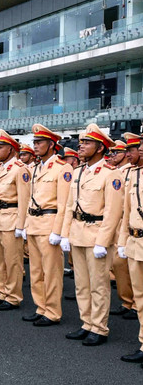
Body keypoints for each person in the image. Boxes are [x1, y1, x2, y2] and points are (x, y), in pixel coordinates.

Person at [61, 124, 123, 346]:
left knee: (98, 285)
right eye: (81, 142)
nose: (81, 145)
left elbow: (113, 212)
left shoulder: (111, 174)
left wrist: (103, 242)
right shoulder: (78, 173)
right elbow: (70, 206)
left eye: (87, 142)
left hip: (97, 235)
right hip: (78, 233)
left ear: (100, 147)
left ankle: (99, 327)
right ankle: (86, 323)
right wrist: (65, 234)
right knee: (81, 284)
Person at [23, 124, 72, 327]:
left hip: (49, 223)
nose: (35, 146)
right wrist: (26, 224)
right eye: (34, 142)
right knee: (36, 271)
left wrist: (58, 231)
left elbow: (64, 203)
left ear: (52, 145)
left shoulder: (63, 168)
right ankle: (40, 306)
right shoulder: (36, 167)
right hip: (34, 223)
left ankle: (52, 311)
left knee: (51, 271)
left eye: (39, 142)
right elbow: (30, 199)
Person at [0, 129, 30, 311]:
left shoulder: (20, 170)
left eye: (0, 147)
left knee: (12, 261)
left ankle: (13, 296)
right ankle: (2, 292)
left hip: (11, 219)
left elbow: (24, 199)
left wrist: (21, 225)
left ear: (11, 149)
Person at [117, 146, 143, 364]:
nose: (140, 149)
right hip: (135, 241)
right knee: (141, 299)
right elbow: (127, 212)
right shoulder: (135, 173)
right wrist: (123, 241)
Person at [109, 140, 135, 318]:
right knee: (118, 263)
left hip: (132, 220)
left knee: (130, 265)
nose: (113, 156)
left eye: (116, 153)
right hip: (120, 221)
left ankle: (134, 304)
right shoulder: (118, 172)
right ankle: (127, 301)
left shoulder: (132, 171)